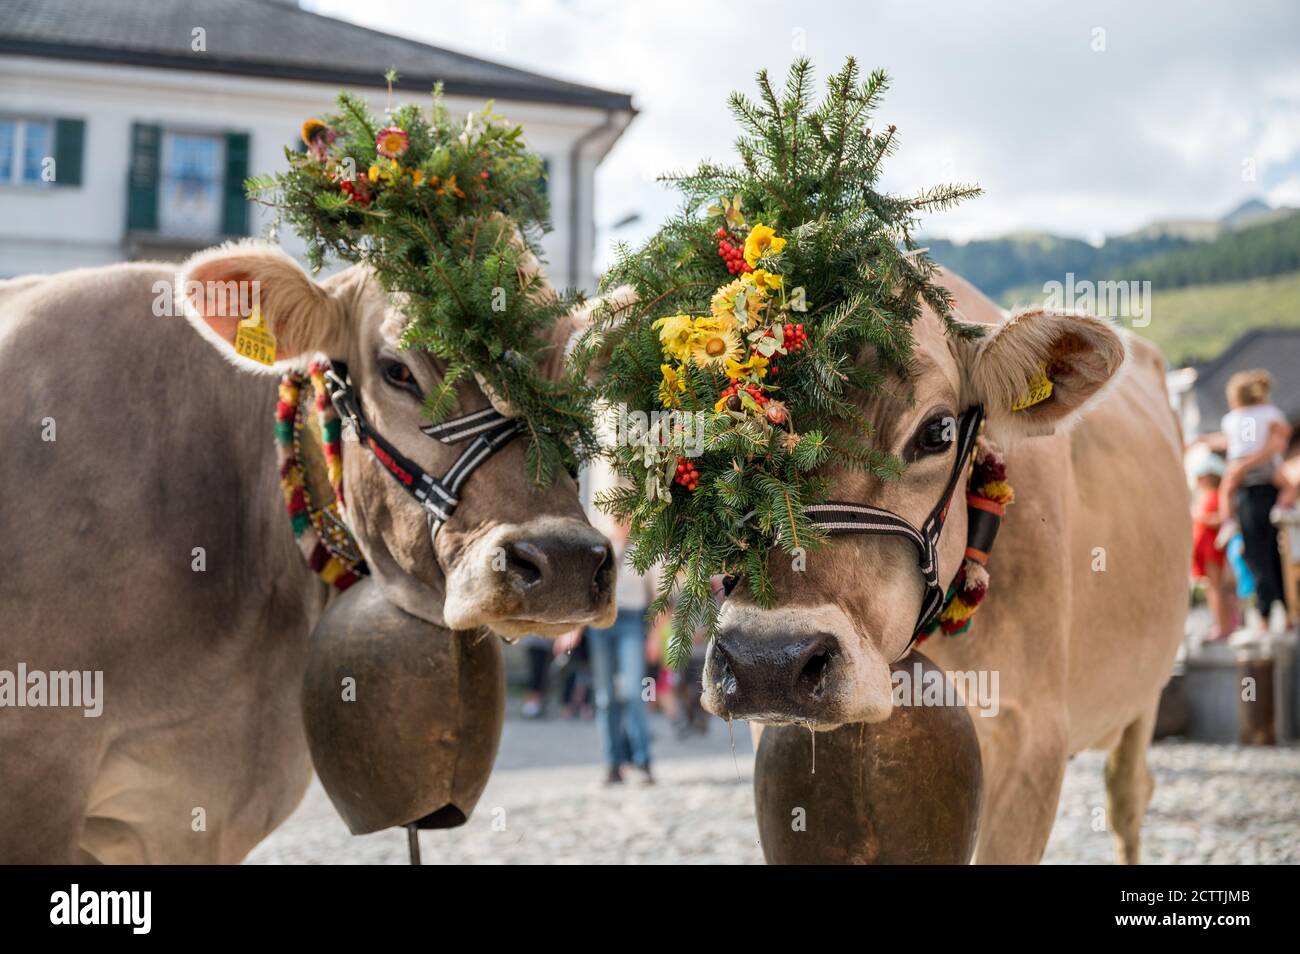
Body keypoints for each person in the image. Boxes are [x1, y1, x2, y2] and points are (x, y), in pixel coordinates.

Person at [1199, 370, 1294, 630]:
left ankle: (1266, 615)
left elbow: (1233, 446)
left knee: (1258, 555)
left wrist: (1242, 465)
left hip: (1249, 485)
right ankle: (1284, 613)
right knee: (1274, 555)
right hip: (1267, 478)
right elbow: (1280, 437)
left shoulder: (1234, 419)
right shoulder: (1269, 414)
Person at [585, 521, 657, 785]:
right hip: (601, 624)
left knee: (633, 693)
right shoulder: (600, 550)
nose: (624, 524)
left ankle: (642, 761)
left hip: (632, 623)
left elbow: (658, 596)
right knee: (605, 697)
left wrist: (654, 637)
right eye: (619, 518)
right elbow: (587, 591)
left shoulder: (645, 551)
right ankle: (613, 763)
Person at [1189, 454, 1235, 640]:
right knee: (1212, 588)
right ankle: (1220, 625)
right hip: (1205, 548)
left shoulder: (1216, 496)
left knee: (1216, 588)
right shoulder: (1207, 496)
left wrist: (1202, 518)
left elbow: (1222, 520)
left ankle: (1222, 627)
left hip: (1212, 549)